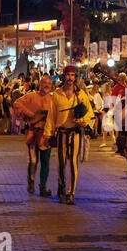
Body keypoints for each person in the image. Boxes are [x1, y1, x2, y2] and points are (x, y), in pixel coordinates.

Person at [43, 66, 94, 205]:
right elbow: (51, 116)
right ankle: (61, 187)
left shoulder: (81, 94)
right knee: (61, 163)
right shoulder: (57, 94)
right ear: (63, 76)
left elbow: (90, 112)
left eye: (72, 75)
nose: (70, 78)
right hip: (61, 134)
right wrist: (48, 134)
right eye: (68, 75)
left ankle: (71, 193)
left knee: (73, 164)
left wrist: (82, 121)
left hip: (75, 133)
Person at [14, 76, 53, 196]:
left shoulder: (53, 98)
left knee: (45, 161)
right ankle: (31, 181)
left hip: (46, 135)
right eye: (44, 83)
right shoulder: (30, 96)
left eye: (49, 83)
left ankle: (43, 186)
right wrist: (29, 114)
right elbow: (17, 103)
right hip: (32, 134)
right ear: (40, 84)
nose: (46, 85)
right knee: (33, 161)